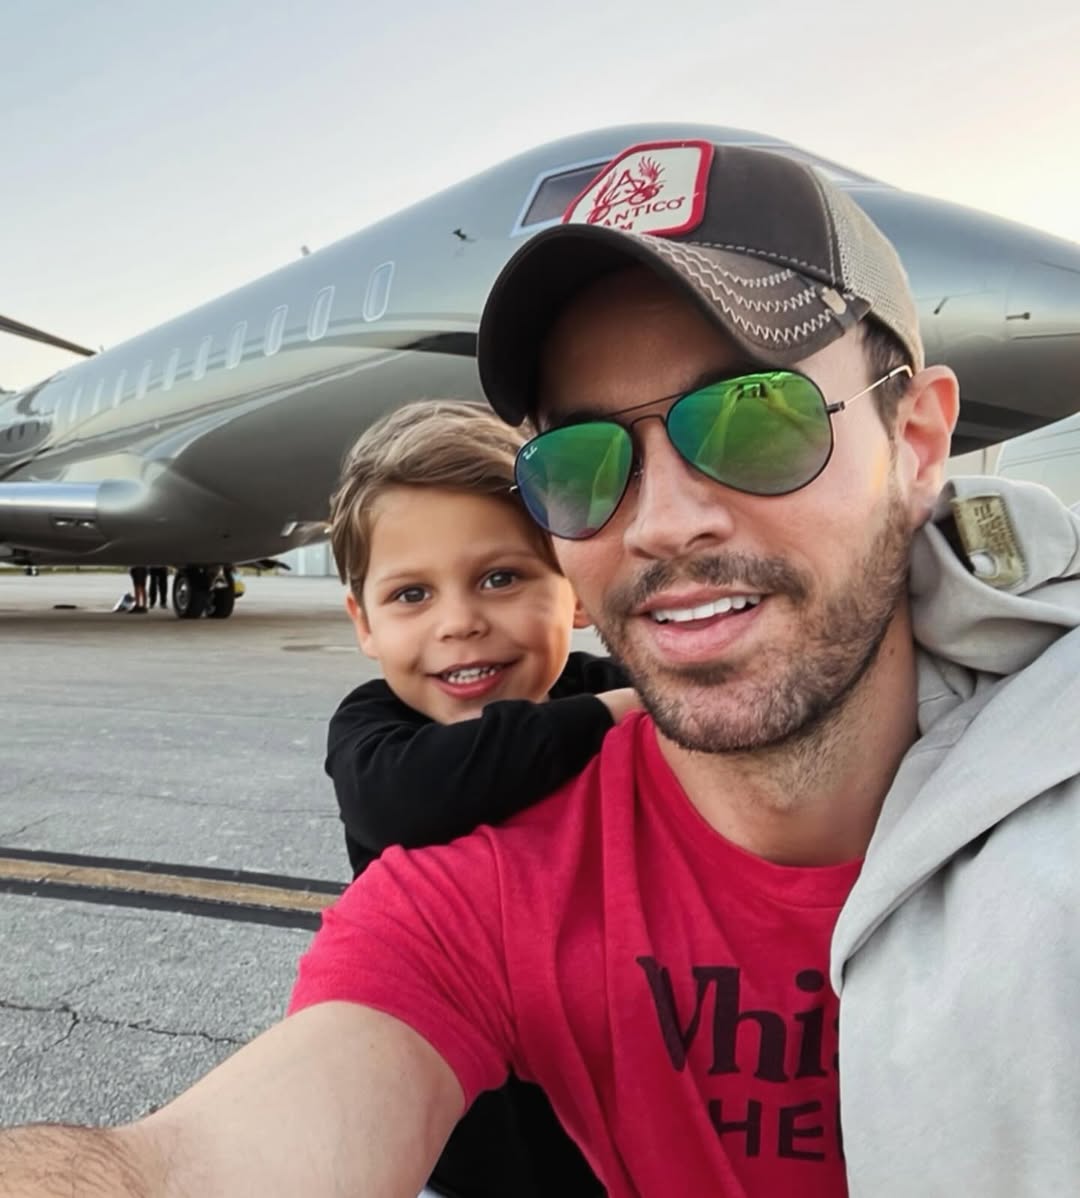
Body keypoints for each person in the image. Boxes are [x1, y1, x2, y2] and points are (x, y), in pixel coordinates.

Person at [2, 140, 1079, 1198]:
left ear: (919, 441)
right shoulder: (483, 884)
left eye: (755, 418)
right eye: (581, 460)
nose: (662, 523)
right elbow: (193, 1164)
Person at [324, 399, 631, 1196]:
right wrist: (616, 716)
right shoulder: (375, 731)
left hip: (622, 1138)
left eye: (501, 578)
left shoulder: (612, 686)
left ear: (575, 589)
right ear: (363, 623)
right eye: (411, 595)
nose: (459, 623)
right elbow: (410, 798)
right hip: (461, 1150)